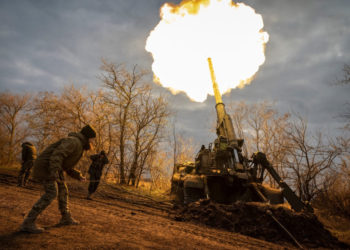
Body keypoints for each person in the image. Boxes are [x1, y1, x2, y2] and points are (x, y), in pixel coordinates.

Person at [20, 125, 96, 233]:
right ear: (88, 137)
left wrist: (78, 176)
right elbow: (57, 155)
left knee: (63, 190)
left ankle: (66, 218)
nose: (93, 141)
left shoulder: (79, 145)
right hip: (46, 167)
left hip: (54, 167)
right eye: (93, 138)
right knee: (51, 193)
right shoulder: (74, 142)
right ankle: (28, 222)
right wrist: (54, 171)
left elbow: (67, 165)